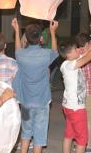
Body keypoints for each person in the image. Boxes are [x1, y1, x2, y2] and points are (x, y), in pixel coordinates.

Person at [11, 19, 58, 153]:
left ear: (26, 37)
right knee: (40, 134)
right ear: (41, 38)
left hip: (25, 102)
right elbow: (55, 51)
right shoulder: (45, 55)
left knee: (26, 131)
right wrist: (53, 32)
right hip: (42, 102)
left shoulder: (20, 55)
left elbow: (18, 48)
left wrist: (17, 30)